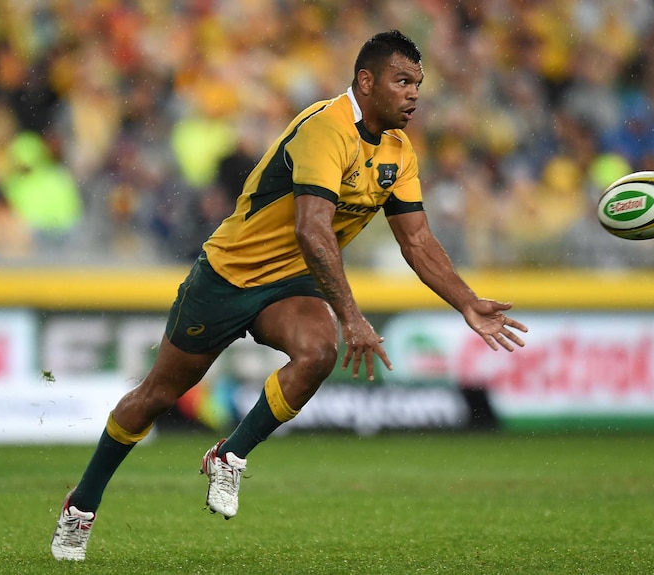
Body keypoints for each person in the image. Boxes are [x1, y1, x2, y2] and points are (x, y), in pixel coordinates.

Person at [50, 30, 528, 562]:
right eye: (402, 81)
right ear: (365, 82)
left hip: (293, 284)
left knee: (318, 352)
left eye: (418, 83)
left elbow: (415, 238)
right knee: (157, 397)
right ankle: (81, 506)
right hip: (229, 275)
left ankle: (228, 457)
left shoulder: (400, 150)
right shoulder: (325, 129)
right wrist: (353, 316)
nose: (414, 94)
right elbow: (312, 230)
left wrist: (465, 300)